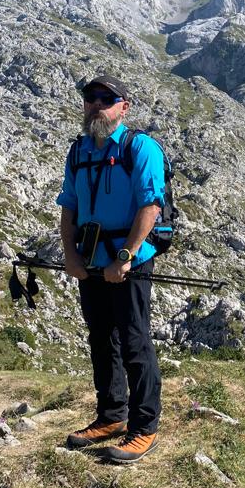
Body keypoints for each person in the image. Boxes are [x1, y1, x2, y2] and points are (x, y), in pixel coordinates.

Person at [57, 74, 165, 463]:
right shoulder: (79, 151)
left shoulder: (140, 147)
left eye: (107, 99)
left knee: (134, 340)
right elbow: (69, 205)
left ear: (124, 107)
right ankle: (111, 415)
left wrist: (126, 256)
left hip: (129, 262)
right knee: (101, 338)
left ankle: (144, 427)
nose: (97, 105)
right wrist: (71, 255)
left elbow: (151, 205)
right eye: (91, 98)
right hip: (90, 260)